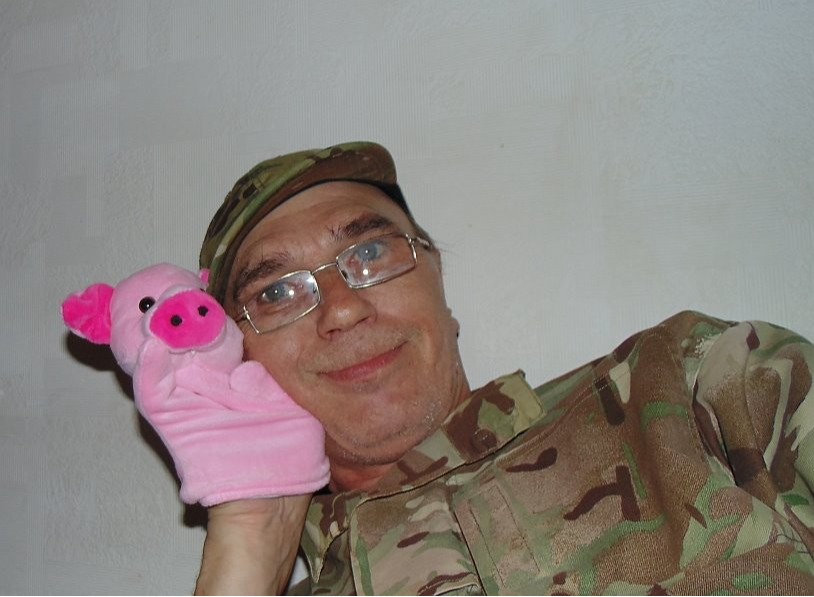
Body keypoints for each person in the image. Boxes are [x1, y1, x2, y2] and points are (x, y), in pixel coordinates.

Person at [189, 141, 814, 595]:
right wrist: (246, 547)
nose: (344, 309)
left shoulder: (691, 385)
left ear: (438, 282)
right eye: (276, 292)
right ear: (237, 361)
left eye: (370, 250)